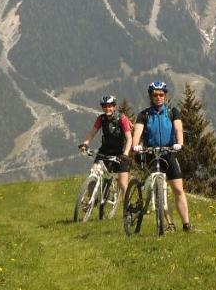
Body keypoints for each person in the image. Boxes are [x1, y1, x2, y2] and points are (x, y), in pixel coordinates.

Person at [131, 80, 192, 232]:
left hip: (168, 153)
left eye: (161, 94)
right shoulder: (144, 114)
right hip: (152, 153)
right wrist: (135, 144)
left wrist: (180, 143)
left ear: (165, 96)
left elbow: (178, 128)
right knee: (159, 189)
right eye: (155, 95)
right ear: (150, 97)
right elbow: (137, 132)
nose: (158, 97)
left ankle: (186, 224)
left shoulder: (172, 112)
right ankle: (169, 223)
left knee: (178, 190)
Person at [78, 94, 133, 199]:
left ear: (114, 106)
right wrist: (85, 143)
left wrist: (125, 154)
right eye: (105, 106)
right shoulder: (101, 118)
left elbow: (129, 139)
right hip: (104, 151)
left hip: (120, 153)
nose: (107, 108)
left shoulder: (122, 119)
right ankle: (91, 201)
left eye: (110, 106)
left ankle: (127, 210)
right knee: (93, 173)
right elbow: (92, 133)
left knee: (123, 184)